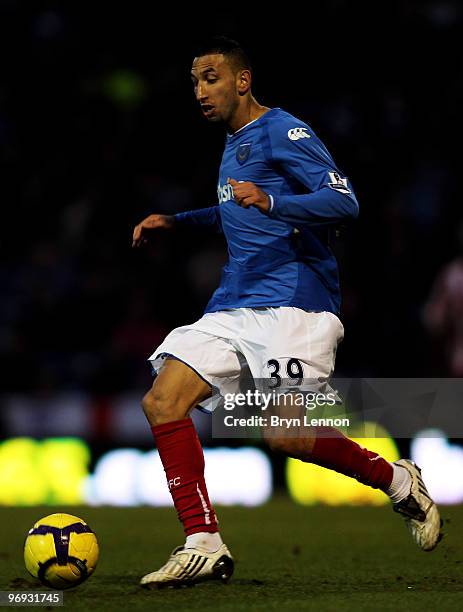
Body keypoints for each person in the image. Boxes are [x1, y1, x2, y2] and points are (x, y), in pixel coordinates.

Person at [132, 37, 441, 588]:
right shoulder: (234, 144)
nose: (200, 92)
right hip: (235, 303)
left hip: (294, 303)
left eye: (211, 78)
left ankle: (397, 480)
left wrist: (273, 202)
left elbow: (344, 201)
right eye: (195, 81)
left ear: (242, 80)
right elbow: (236, 208)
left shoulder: (283, 130)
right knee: (163, 401)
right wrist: (179, 220)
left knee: (286, 437)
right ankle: (202, 542)